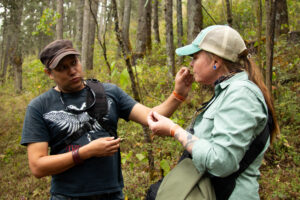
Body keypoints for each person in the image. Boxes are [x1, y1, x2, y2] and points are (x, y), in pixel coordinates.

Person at [20, 39, 194, 199]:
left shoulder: (109, 92)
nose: (72, 71)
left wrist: (178, 94)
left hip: (111, 194)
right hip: (67, 195)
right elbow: (38, 166)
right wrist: (86, 152)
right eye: (62, 68)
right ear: (49, 73)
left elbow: (153, 117)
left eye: (74, 63)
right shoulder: (40, 107)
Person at [147, 25, 280, 199]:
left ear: (216, 62)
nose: (191, 64)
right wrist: (178, 94)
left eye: (195, 57)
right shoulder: (227, 92)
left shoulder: (241, 95)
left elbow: (221, 162)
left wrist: (175, 130)